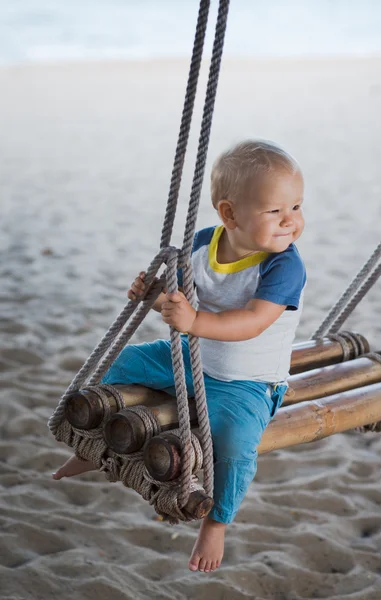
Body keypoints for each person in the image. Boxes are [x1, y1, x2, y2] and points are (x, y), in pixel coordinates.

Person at [52, 139, 306, 572]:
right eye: (276, 212)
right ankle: (94, 450)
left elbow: (252, 322)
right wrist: (152, 297)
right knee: (122, 364)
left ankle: (217, 521)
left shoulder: (282, 266)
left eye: (297, 207)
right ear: (230, 214)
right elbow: (180, 303)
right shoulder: (203, 244)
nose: (292, 222)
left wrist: (192, 323)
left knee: (235, 443)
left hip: (247, 382)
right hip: (192, 360)